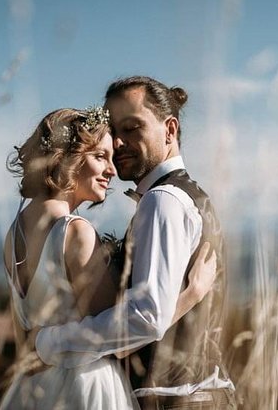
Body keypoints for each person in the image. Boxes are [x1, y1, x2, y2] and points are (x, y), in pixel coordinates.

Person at [35, 77, 236, 409]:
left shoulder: (163, 201)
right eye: (115, 130)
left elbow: (145, 317)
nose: (118, 141)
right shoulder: (189, 196)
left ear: (169, 130)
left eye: (132, 128)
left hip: (176, 400)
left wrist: (49, 342)